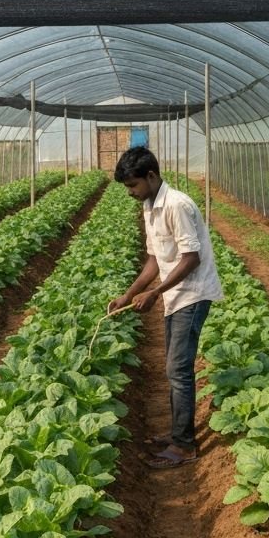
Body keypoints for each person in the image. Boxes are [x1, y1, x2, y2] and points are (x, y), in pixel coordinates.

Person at [108, 146, 223, 469]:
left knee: (178, 369)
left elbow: (191, 258)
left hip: (192, 293)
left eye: (133, 185)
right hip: (175, 295)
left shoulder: (177, 205)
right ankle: (177, 435)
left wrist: (155, 293)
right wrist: (129, 295)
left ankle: (185, 446)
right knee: (174, 369)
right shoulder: (149, 205)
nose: (131, 192)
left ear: (151, 176)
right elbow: (154, 259)